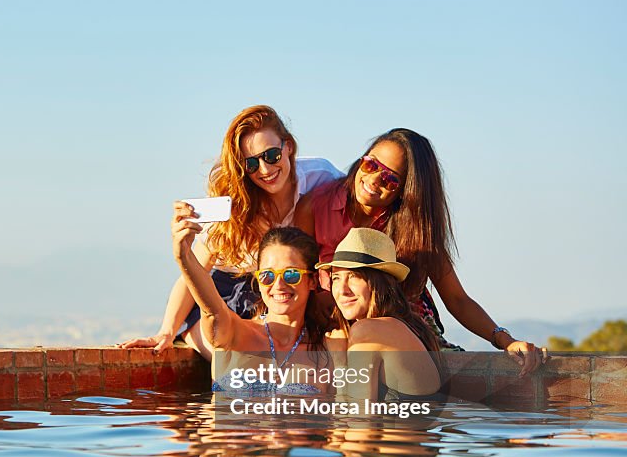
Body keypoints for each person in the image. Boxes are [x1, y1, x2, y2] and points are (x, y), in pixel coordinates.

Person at [295, 128, 543, 374]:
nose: (373, 180)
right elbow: (299, 274)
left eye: (390, 180)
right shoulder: (316, 205)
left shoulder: (417, 229)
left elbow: (457, 299)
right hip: (332, 327)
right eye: (371, 165)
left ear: (406, 190)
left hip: (401, 329)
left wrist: (504, 340)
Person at [121, 105, 342, 360]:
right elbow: (195, 272)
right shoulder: (231, 203)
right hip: (223, 296)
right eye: (250, 163)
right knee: (235, 363)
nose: (264, 170)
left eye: (271, 155)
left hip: (290, 292)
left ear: (288, 147)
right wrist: (166, 332)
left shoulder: (322, 177)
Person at [170, 207, 345, 390]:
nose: (278, 285)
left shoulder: (327, 351)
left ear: (312, 280)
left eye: (291, 274)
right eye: (267, 275)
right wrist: (184, 256)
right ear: (258, 281)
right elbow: (212, 310)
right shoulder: (234, 335)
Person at [316, 228, 442, 402]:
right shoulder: (407, 326)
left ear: (380, 282)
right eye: (336, 278)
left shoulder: (369, 330)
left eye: (354, 276)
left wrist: (339, 362)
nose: (342, 290)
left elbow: (357, 418)